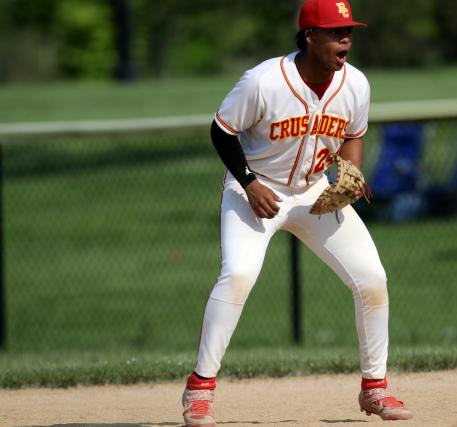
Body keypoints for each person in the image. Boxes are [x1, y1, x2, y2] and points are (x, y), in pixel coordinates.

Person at [180, 1, 413, 425]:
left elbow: (354, 135)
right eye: (335, 32)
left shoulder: (356, 84)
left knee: (372, 280)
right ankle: (199, 390)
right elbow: (222, 130)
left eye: (349, 31)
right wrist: (249, 183)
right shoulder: (264, 81)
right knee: (238, 275)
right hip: (254, 188)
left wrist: (351, 176)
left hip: (313, 193)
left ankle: (375, 388)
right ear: (309, 36)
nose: (346, 39)